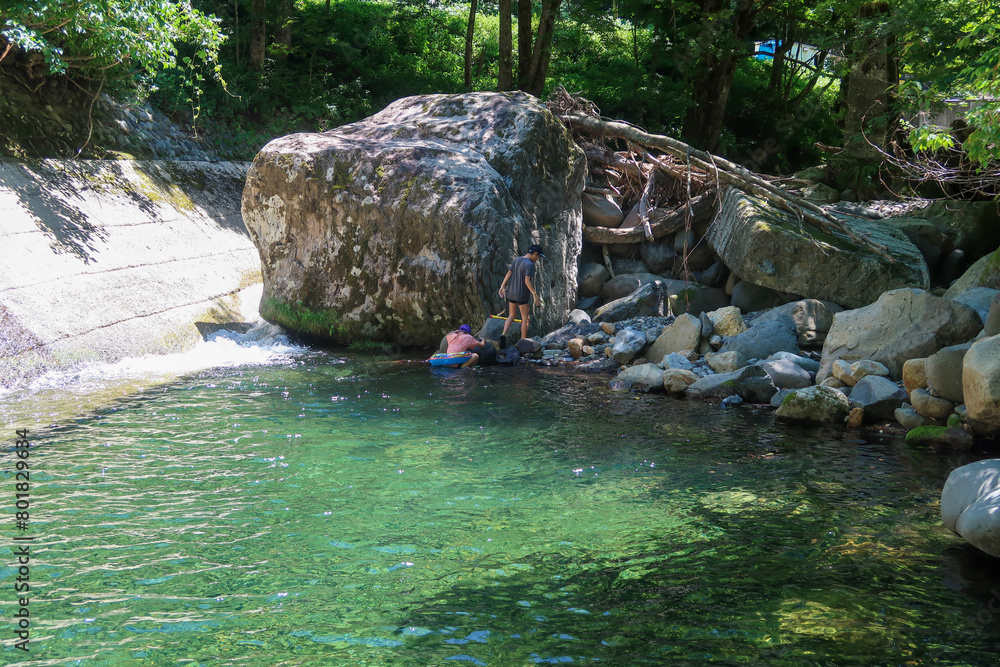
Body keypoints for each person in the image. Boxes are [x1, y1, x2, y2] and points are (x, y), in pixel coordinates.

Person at [497, 244, 545, 348]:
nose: (537, 259)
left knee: (511, 315)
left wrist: (502, 286)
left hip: (511, 293)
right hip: (522, 294)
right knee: (525, 318)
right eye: (538, 257)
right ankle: (522, 342)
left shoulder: (517, 260)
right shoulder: (529, 265)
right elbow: (527, 281)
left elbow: (509, 273)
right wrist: (535, 294)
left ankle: (503, 334)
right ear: (535, 254)